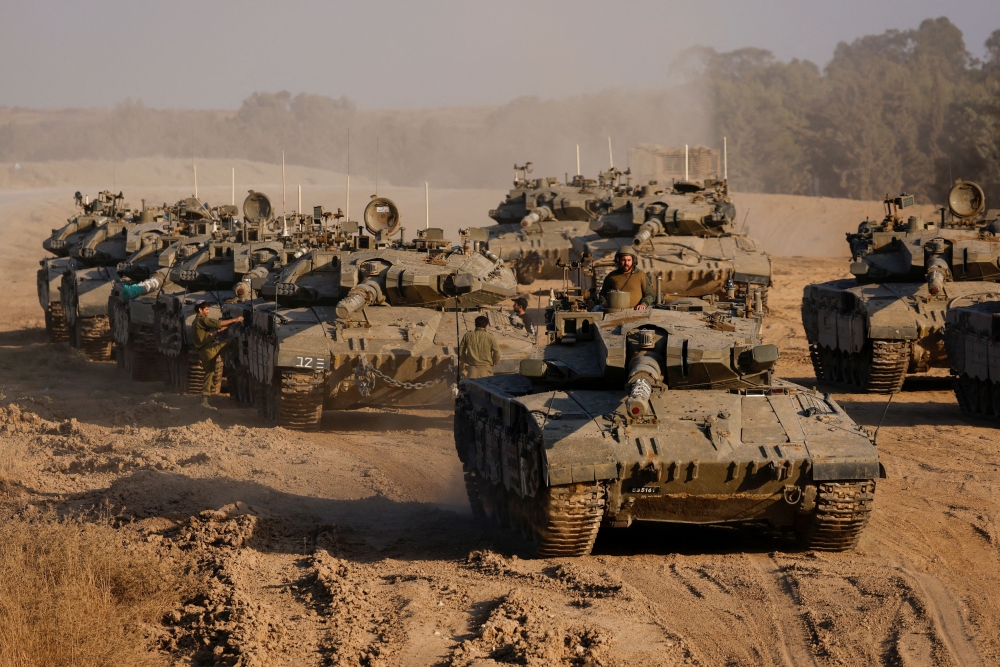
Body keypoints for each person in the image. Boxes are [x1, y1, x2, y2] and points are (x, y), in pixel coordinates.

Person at [193, 301, 244, 408]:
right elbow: (217, 323)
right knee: (232, 341)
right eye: (206, 309)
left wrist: (218, 332)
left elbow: (206, 335)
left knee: (210, 374)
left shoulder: (195, 322)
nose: (208, 311)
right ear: (200, 310)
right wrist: (235, 319)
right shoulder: (201, 319)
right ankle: (237, 364)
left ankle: (204, 400)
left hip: (203, 351)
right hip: (209, 350)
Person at [595, 245, 654, 311]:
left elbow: (649, 295)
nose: (626, 263)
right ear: (618, 260)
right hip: (616, 312)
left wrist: (643, 304)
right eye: (623, 260)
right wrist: (604, 303)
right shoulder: (612, 276)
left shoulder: (640, 275)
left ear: (633, 261)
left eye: (629, 260)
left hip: (636, 311)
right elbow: (603, 294)